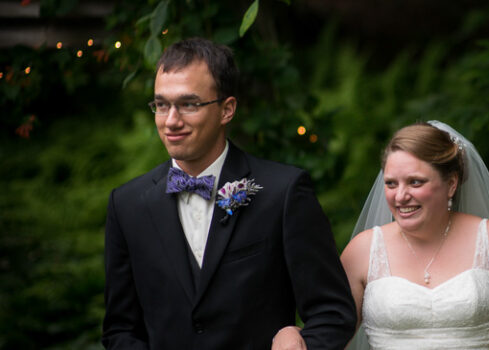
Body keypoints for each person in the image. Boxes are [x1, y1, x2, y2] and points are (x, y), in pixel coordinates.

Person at [102, 38, 356, 349]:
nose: (171, 120)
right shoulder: (127, 205)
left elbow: (332, 313)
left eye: (189, 104)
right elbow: (120, 330)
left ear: (227, 109)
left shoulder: (283, 193)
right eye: (162, 104)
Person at [273, 121, 489, 349]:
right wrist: (288, 332)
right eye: (390, 183)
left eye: (415, 182)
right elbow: (331, 334)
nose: (400, 196)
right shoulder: (364, 250)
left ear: (451, 184)